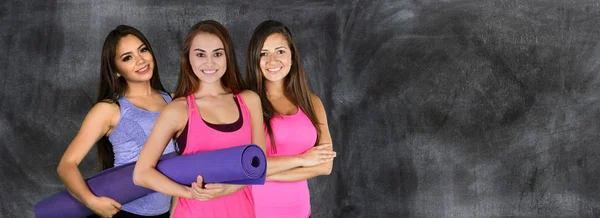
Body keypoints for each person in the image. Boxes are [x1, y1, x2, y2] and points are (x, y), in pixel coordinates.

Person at [133, 20, 265, 218]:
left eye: (217, 54)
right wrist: (188, 192)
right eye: (200, 54)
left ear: (228, 56)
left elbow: (260, 164)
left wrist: (229, 189)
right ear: (188, 59)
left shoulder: (250, 101)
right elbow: (141, 174)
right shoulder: (178, 110)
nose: (209, 63)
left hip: (242, 211)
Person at [56, 25, 174, 218]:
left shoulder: (174, 101)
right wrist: (90, 201)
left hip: (166, 211)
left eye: (143, 50)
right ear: (117, 70)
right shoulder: (109, 110)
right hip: (124, 210)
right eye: (128, 58)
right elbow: (66, 164)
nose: (141, 60)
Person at [245, 20, 336, 218]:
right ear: (255, 59)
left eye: (280, 51)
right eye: (263, 53)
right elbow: (248, 167)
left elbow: (325, 166)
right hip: (256, 212)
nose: (272, 61)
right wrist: (303, 161)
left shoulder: (312, 103)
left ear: (292, 56)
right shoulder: (246, 103)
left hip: (301, 212)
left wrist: (266, 173)